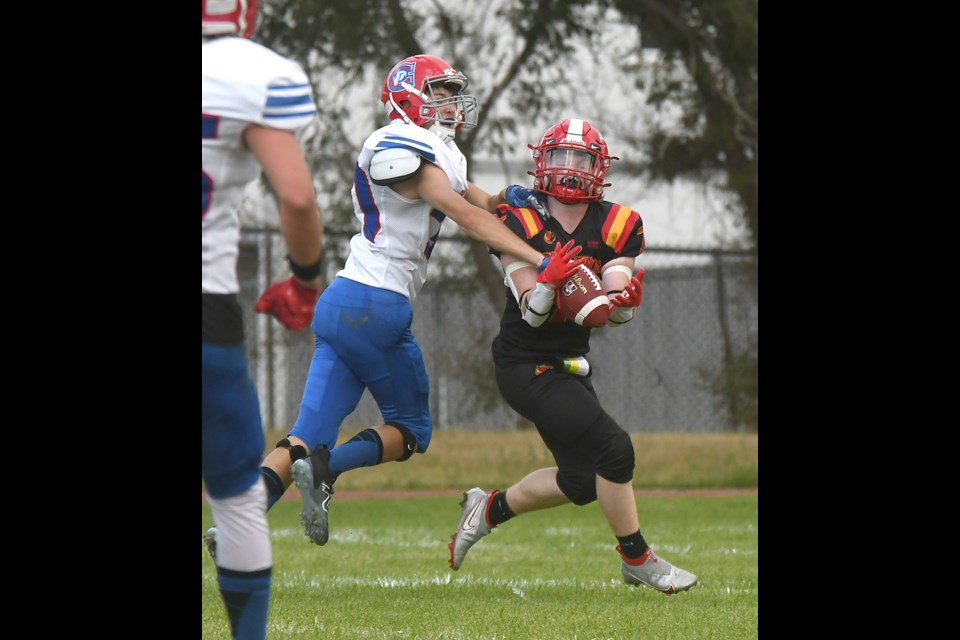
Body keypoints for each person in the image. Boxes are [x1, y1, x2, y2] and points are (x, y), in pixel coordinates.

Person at [204, 53, 585, 550]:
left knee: (303, 434)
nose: (450, 104)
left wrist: (515, 197)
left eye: (451, 95)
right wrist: (541, 257)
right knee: (410, 430)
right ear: (409, 98)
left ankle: (238, 525)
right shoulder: (397, 145)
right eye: (440, 94)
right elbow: (467, 218)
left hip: (342, 302)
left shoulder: (435, 151)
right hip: (377, 305)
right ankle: (323, 472)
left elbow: (481, 202)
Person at [447, 118, 699, 595]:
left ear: (599, 167)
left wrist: (622, 303)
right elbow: (533, 313)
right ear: (541, 161)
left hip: (570, 362)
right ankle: (636, 557)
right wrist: (546, 279)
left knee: (582, 481)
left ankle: (488, 510)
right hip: (524, 362)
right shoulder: (519, 217)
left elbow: (608, 308)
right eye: (560, 156)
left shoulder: (619, 223)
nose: (568, 168)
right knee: (614, 449)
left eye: (580, 159)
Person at [202, 1, 324, 637]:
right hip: (205, 309)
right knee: (237, 498)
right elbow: (297, 196)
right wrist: (307, 279)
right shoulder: (254, 72)